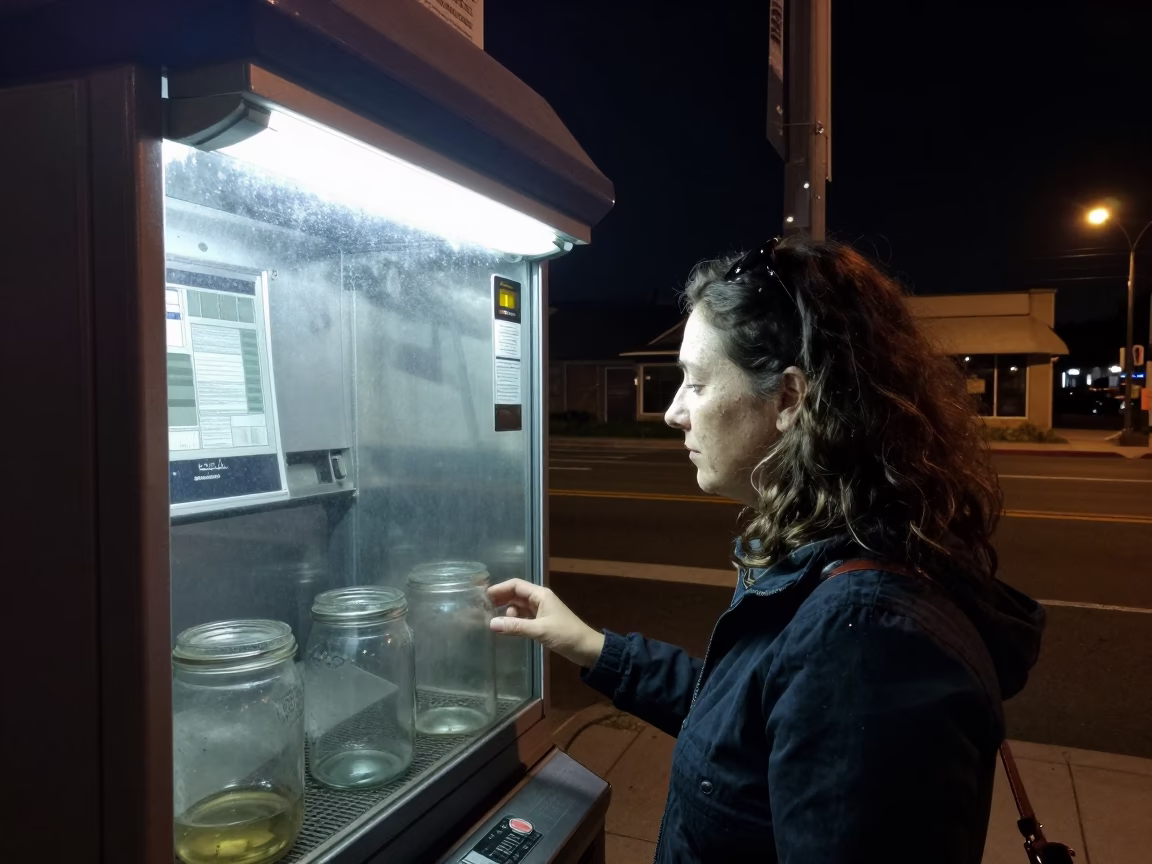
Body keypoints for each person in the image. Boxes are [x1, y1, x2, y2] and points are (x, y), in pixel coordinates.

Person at [489, 236, 1045, 863]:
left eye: (696, 383)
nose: (673, 412)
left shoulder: (865, 640)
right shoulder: (830, 547)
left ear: (789, 398)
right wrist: (593, 647)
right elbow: (746, 721)